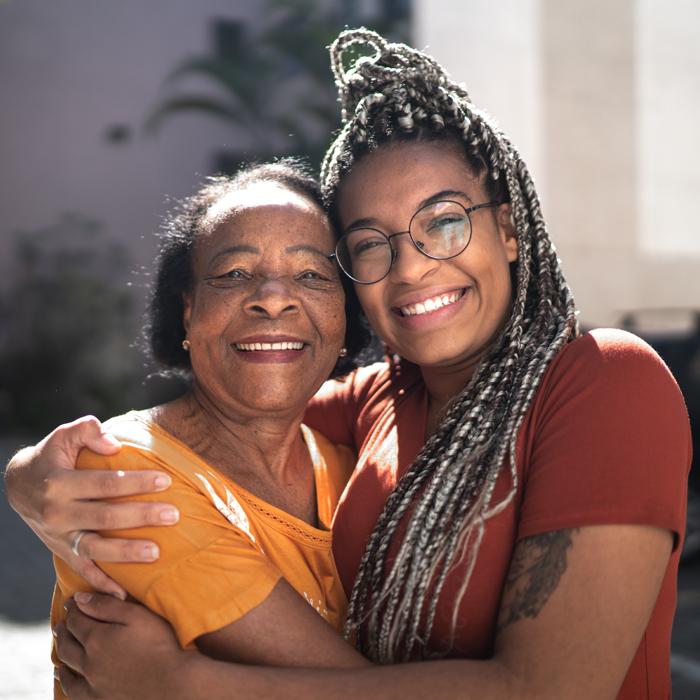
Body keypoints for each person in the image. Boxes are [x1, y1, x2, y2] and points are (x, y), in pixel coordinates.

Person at [5, 28, 691, 699]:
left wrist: (190, 685)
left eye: (444, 221)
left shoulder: (604, 381)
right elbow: (228, 416)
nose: (413, 267)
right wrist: (34, 478)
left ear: (509, 230)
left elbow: (551, 690)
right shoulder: (380, 402)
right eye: (370, 244)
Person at [44, 159, 383, 697]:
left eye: (312, 275)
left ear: (346, 317)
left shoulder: (353, 472)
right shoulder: (123, 469)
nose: (273, 297)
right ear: (187, 312)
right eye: (234, 275)